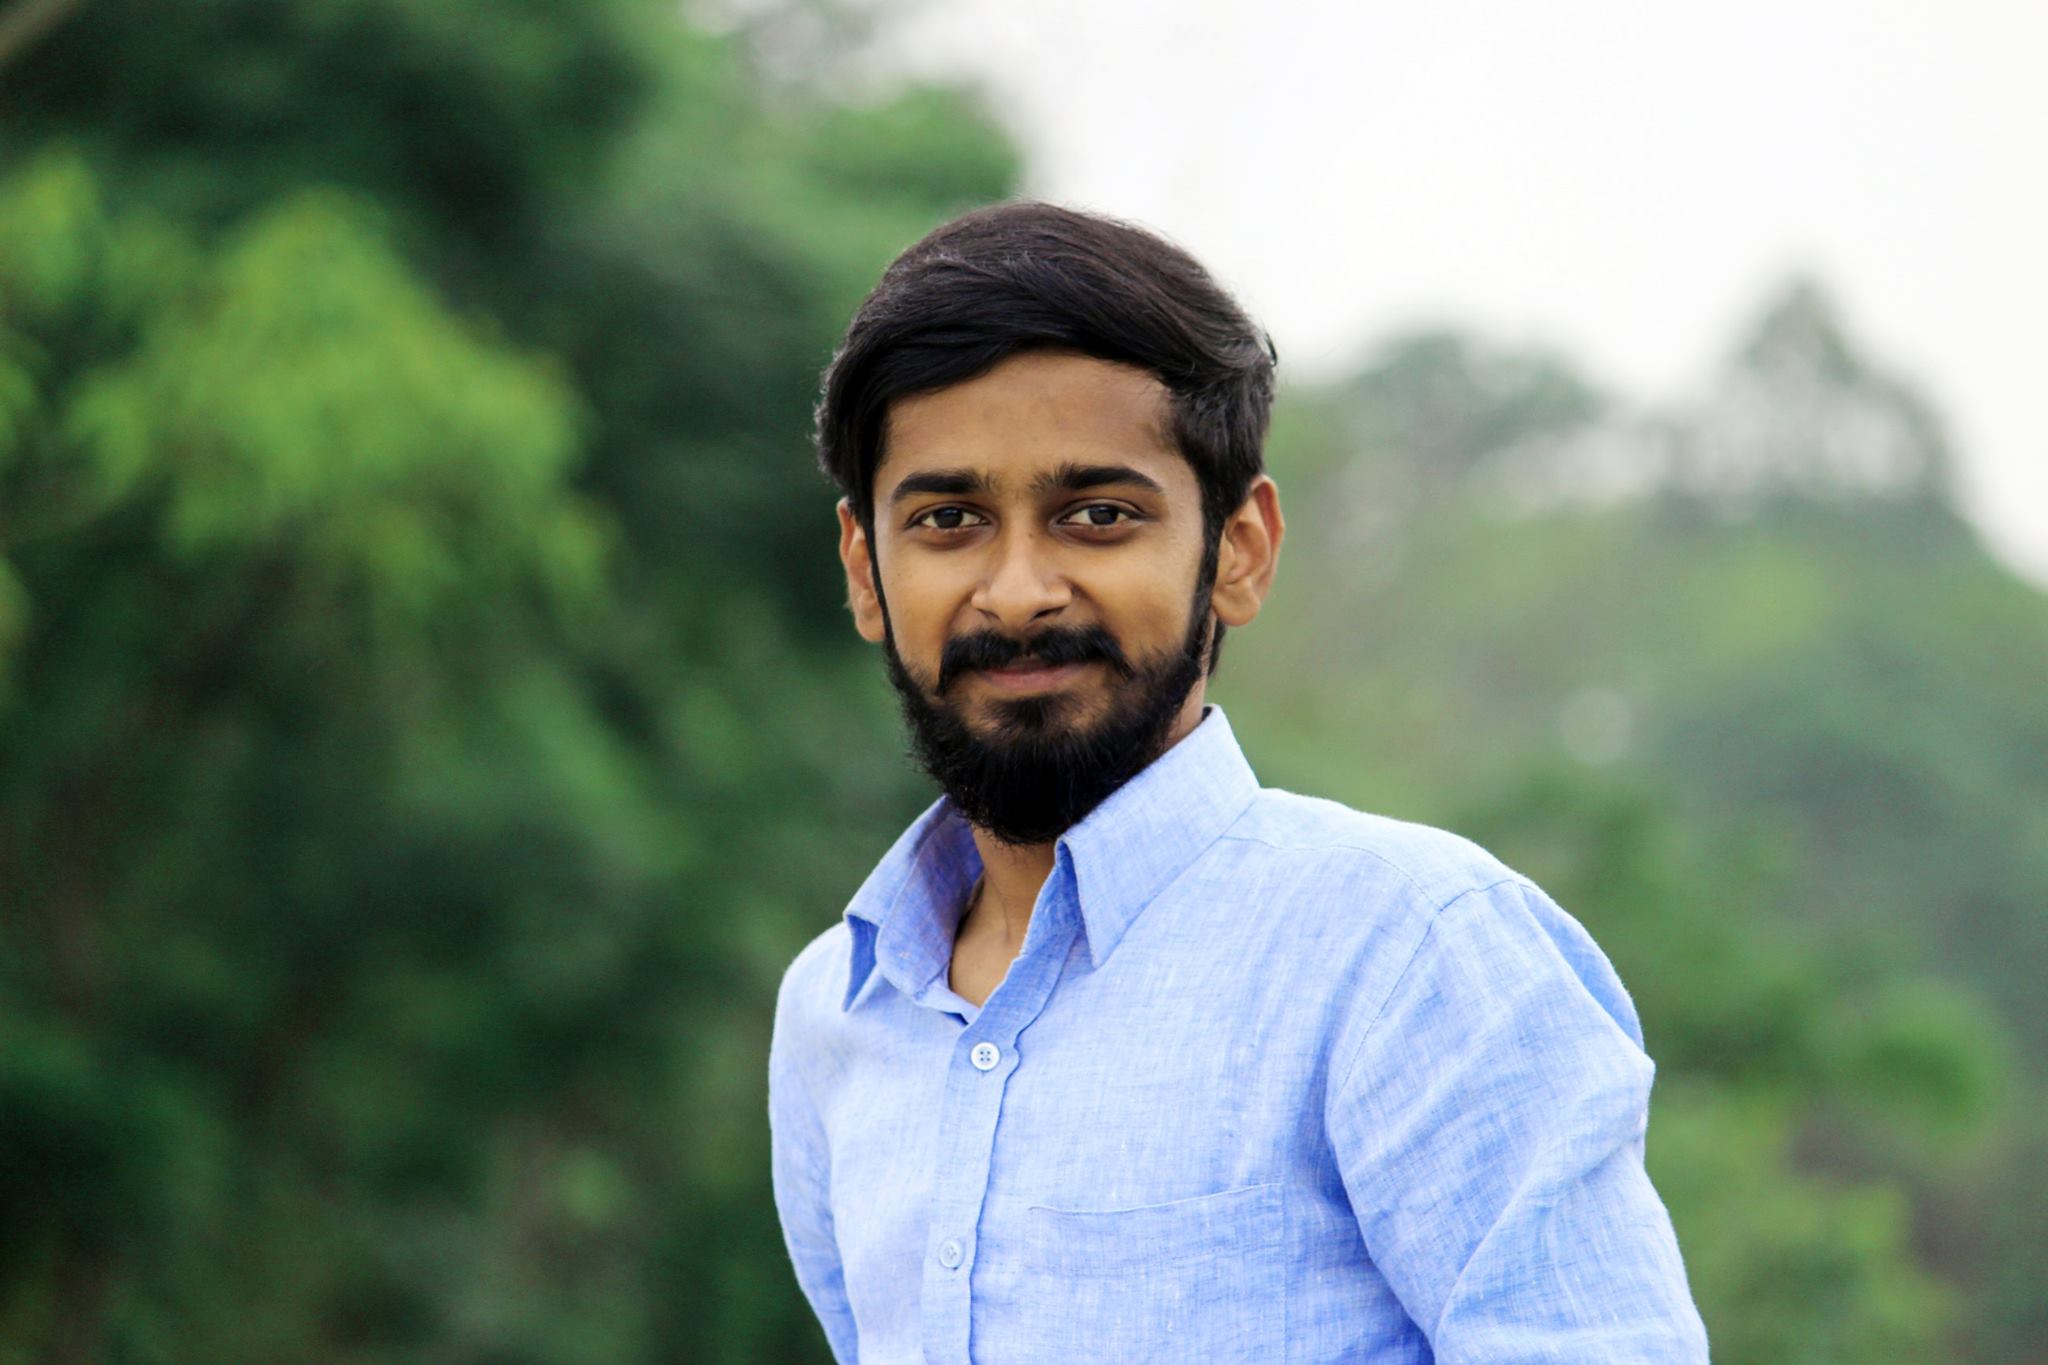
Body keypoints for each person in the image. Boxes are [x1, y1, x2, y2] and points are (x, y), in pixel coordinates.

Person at [768, 201, 1709, 1364]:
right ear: (866, 570)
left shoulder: (1406, 955)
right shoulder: (836, 1013)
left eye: (1097, 516)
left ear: (1239, 550)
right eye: (948, 519)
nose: (1015, 592)